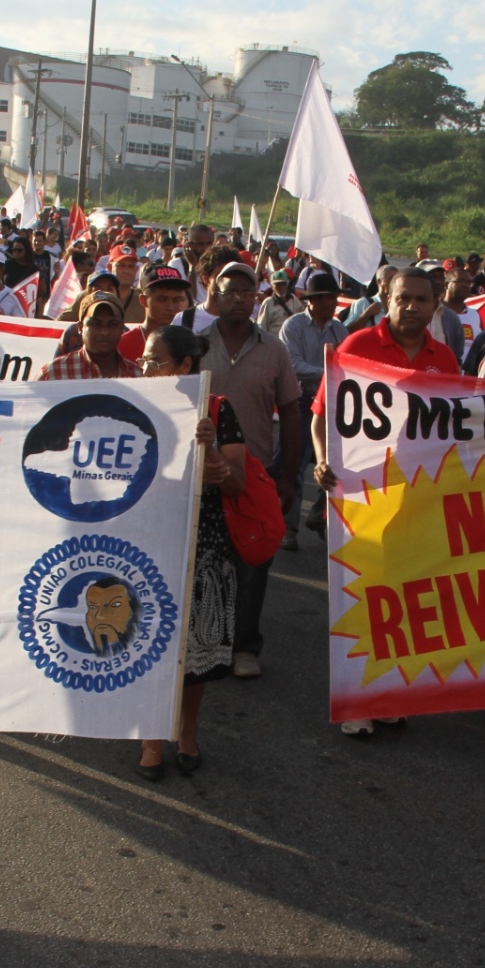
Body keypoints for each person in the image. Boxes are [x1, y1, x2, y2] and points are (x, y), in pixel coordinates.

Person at [312, 267, 463, 737]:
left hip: (417, 500)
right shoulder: (356, 348)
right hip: (359, 495)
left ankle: (391, 694)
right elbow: (321, 418)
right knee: (360, 597)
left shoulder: (447, 359)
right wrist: (321, 462)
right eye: (404, 298)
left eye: (422, 299)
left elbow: (457, 430)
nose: (412, 307)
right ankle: (357, 700)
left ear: (435, 304)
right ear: (387, 297)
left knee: (403, 601)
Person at [134, 325, 247, 780]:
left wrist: (213, 456)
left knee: (195, 650)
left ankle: (186, 730)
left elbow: (237, 483)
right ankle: (149, 736)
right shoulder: (133, 406)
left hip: (203, 549)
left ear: (183, 366)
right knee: (144, 644)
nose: (144, 368)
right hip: (145, 544)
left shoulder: (217, 411)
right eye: (142, 360)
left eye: (153, 361)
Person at [198, 262, 302, 680]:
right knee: (204, 560)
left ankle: (244, 647)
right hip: (201, 471)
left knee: (252, 560)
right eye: (230, 291)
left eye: (247, 292)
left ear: (257, 297)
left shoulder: (274, 349)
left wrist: (289, 473)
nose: (239, 299)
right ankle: (205, 643)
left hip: (253, 477)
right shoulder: (197, 342)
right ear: (215, 295)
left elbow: (292, 412)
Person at [279, 271, 348, 548]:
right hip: (299, 402)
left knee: (336, 464)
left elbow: (349, 365)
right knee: (292, 464)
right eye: (330, 298)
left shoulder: (340, 330)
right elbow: (292, 365)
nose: (334, 303)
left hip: (332, 405)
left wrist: (333, 375)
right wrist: (329, 373)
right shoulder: (293, 326)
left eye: (334, 297)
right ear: (315, 300)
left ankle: (319, 514)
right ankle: (288, 529)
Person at [38, 293, 139, 380]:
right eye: (96, 324)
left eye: (113, 324)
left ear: (122, 328)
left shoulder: (139, 376)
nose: (104, 332)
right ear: (80, 327)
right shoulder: (52, 374)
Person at [257, 269, 302, 338]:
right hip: (274, 343)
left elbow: (302, 318)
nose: (281, 287)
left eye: (283, 284)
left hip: (291, 341)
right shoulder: (268, 302)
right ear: (272, 286)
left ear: (287, 284)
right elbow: (261, 327)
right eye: (277, 284)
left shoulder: (294, 299)